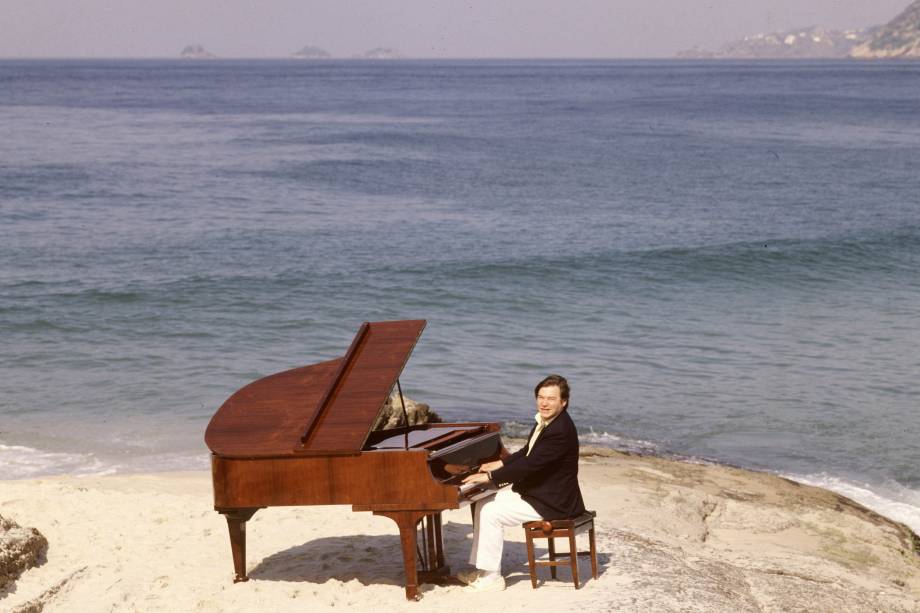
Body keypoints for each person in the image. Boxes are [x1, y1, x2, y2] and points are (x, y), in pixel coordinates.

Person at [460, 374, 586, 592]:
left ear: (563, 401)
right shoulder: (547, 422)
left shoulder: (559, 431)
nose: (544, 403)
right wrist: (499, 463)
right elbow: (527, 453)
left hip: (552, 502)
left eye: (551, 398)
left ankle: (492, 579)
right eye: (540, 397)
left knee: (491, 512)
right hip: (541, 494)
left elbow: (530, 466)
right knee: (484, 501)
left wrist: (490, 477)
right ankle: (484, 569)